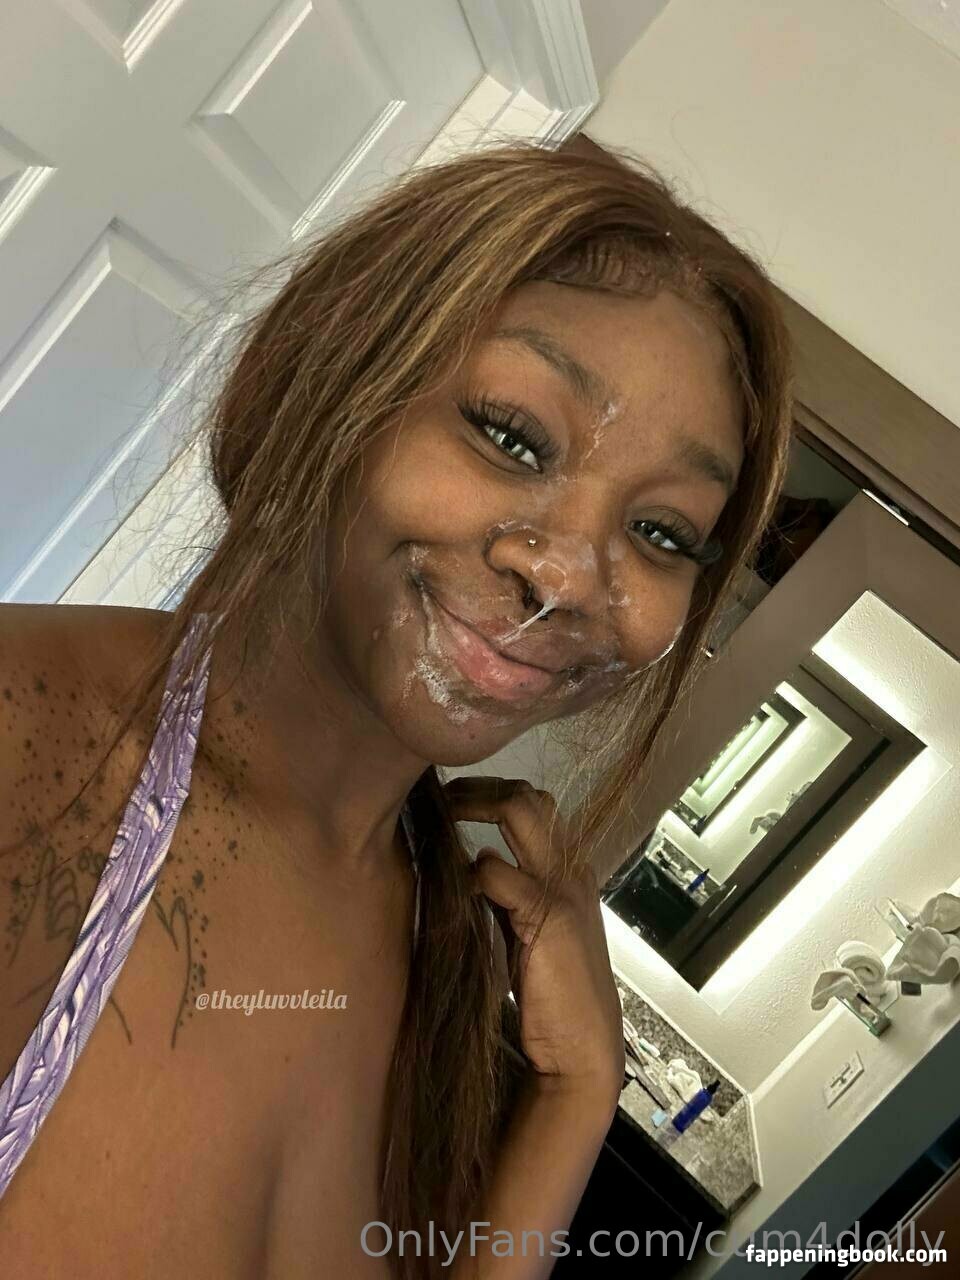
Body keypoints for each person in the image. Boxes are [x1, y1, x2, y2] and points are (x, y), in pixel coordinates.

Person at [0, 137, 792, 1277]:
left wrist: (577, 1094)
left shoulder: (448, 954)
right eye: (511, 434)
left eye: (661, 531)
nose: (571, 574)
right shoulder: (34, 749)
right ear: (331, 373)